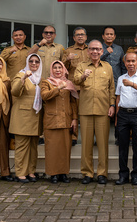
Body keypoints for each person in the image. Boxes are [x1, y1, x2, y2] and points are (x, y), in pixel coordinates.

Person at [74, 40, 115, 185]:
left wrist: (112, 105)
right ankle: (87, 173)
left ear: (102, 51)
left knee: (103, 144)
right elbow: (76, 81)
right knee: (86, 144)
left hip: (103, 110)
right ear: (88, 51)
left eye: (98, 49)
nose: (95, 52)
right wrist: (83, 76)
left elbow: (111, 88)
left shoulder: (108, 67)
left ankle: (102, 173)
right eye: (92, 49)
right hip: (85, 110)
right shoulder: (81, 66)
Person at [40, 60, 78, 184]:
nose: (57, 70)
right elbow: (44, 96)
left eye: (60, 68)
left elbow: (73, 102)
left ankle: (63, 173)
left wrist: (74, 118)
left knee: (65, 149)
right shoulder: (46, 82)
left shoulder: (69, 83)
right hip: (52, 120)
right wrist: (58, 88)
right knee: (52, 149)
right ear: (51, 70)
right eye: (55, 68)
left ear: (63, 70)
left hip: (66, 120)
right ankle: (53, 174)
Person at [115, 52, 137, 185]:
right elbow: (118, 97)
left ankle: (136, 175)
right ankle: (123, 175)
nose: (130, 64)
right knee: (122, 146)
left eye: (133, 61)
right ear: (125, 63)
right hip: (123, 114)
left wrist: (132, 84)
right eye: (128, 61)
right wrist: (118, 117)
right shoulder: (120, 78)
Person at [9, 54, 43, 183]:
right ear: (27, 63)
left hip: (35, 117)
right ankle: (20, 173)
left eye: (37, 61)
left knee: (33, 147)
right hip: (22, 117)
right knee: (22, 147)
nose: (34, 64)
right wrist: (24, 77)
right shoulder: (20, 75)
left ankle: (31, 171)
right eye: (31, 61)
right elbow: (15, 91)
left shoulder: (41, 78)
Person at [63, 27, 90, 146]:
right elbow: (61, 68)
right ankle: (74, 137)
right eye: (78, 35)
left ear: (86, 37)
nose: (80, 36)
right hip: (74, 87)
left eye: (82, 34)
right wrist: (67, 60)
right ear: (74, 37)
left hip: (88, 87)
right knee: (74, 113)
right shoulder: (68, 51)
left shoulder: (91, 50)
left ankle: (88, 138)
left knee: (88, 114)